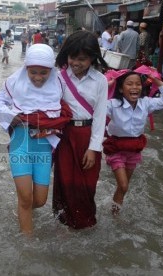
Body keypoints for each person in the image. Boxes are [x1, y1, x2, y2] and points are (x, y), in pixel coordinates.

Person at [0, 44, 71, 235]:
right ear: (26, 68)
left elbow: (73, 105)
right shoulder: (14, 82)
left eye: (43, 72)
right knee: (26, 197)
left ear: (51, 70)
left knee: (40, 201)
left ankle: (21, 212)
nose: (38, 77)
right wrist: (10, 115)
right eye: (33, 72)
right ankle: (27, 245)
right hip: (21, 142)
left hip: (44, 146)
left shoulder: (59, 83)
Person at [53, 30, 109, 229]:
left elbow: (101, 117)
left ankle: (85, 223)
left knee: (87, 184)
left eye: (82, 59)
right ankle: (63, 223)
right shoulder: (57, 78)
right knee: (65, 181)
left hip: (87, 136)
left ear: (93, 58)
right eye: (72, 57)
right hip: (64, 137)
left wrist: (94, 149)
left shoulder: (100, 81)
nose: (76, 63)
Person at [104, 70, 163, 215]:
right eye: (129, 84)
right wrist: (105, 85)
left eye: (138, 84)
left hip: (134, 150)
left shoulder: (146, 103)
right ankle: (114, 212)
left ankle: (114, 215)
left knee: (123, 187)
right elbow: (93, 104)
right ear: (121, 89)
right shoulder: (113, 104)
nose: (135, 87)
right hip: (116, 148)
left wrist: (157, 81)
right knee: (123, 186)